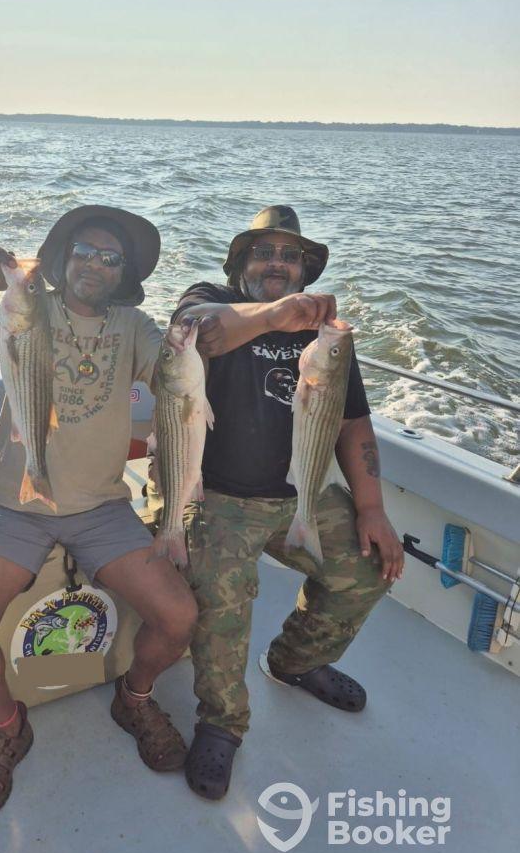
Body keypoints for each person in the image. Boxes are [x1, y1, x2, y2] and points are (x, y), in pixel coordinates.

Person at [0, 205, 197, 817]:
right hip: (14, 504)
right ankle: (9, 726)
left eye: (111, 258)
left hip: (102, 508)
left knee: (180, 615)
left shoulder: (134, 326)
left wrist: (208, 332)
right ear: (64, 257)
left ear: (124, 274)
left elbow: (176, 375)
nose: (94, 264)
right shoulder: (30, 307)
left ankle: (134, 699)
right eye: (84, 251)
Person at [165, 205, 404, 801]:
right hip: (216, 494)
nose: (277, 262)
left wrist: (372, 509)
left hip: (303, 495)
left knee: (368, 571)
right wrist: (274, 315)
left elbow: (352, 423)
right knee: (224, 603)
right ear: (242, 264)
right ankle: (222, 723)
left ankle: (295, 660)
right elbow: (195, 326)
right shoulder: (212, 299)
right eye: (264, 252)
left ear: (304, 268)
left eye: (289, 254)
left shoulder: (327, 336)